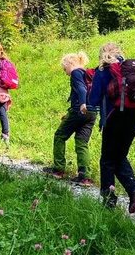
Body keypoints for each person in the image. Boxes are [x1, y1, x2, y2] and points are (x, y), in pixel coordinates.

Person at [84, 42, 135, 213]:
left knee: (107, 160)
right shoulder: (130, 70)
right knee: (120, 156)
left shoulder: (102, 71)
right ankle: (134, 190)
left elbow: (93, 100)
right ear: (119, 52)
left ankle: (108, 200)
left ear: (102, 54)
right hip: (133, 116)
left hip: (113, 117)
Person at [44, 52, 97, 185]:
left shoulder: (76, 73)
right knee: (82, 142)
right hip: (92, 112)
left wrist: (82, 104)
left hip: (80, 110)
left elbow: (81, 89)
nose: (66, 73)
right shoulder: (88, 74)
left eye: (65, 69)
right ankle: (85, 176)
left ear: (70, 63)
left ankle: (58, 169)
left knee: (59, 136)